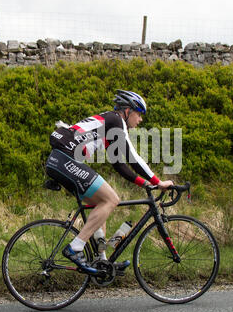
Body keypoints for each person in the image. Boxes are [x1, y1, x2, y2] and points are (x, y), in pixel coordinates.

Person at [46, 89, 173, 275]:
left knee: (101, 204)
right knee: (111, 199)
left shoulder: (108, 125)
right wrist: (158, 181)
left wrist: (144, 183)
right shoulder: (116, 120)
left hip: (60, 160)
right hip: (66, 159)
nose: (141, 120)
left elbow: (119, 164)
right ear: (128, 111)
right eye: (139, 114)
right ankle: (75, 247)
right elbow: (132, 156)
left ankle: (101, 262)